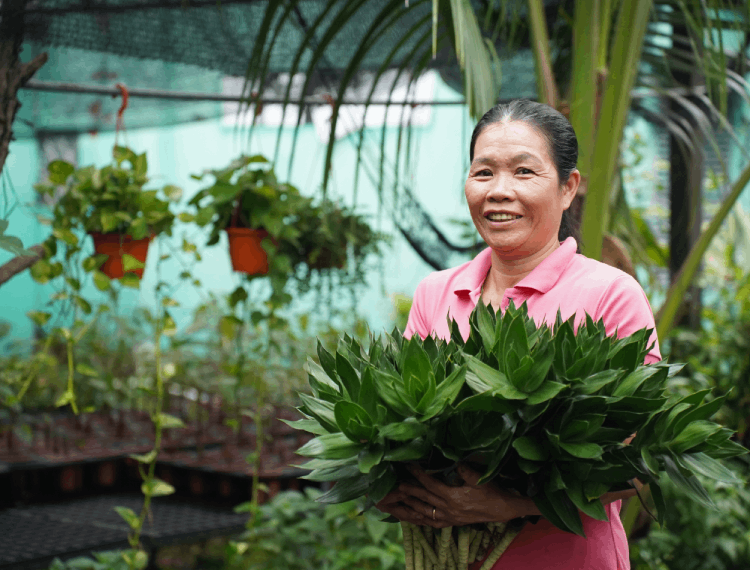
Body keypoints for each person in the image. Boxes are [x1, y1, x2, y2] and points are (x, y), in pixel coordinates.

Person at [375, 99, 661, 570]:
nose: (499, 191)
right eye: (483, 173)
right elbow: (407, 430)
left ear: (568, 188)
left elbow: (636, 468)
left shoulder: (611, 294)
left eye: (524, 172)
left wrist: (507, 506)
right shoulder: (435, 294)